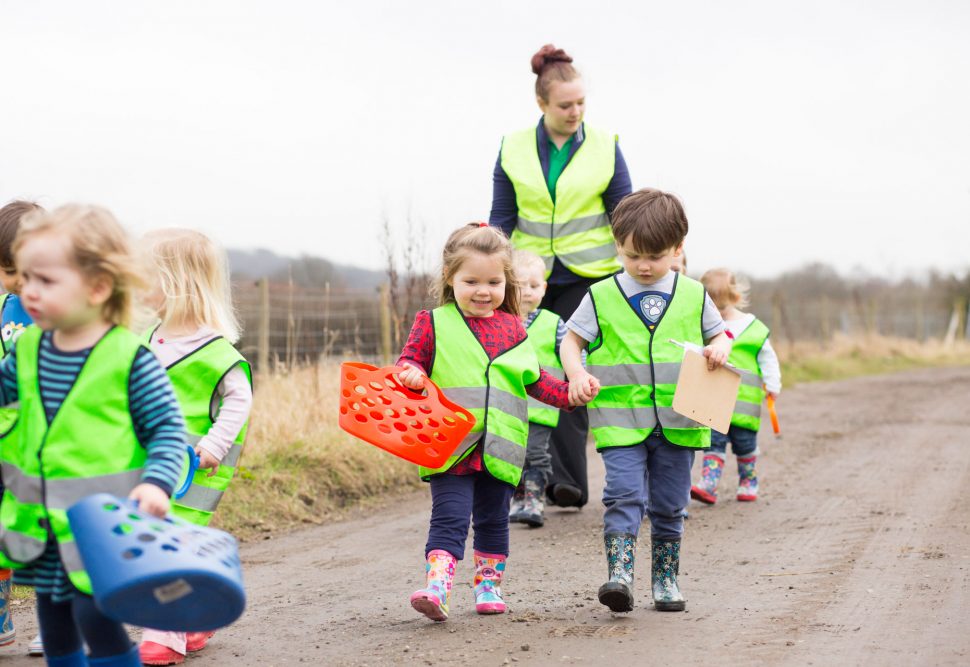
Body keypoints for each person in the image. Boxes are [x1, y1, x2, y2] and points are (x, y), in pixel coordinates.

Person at [0, 204, 186, 667]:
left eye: (45, 281)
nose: (28, 291)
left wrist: (157, 482)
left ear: (99, 287)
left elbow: (167, 428)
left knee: (96, 619)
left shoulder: (129, 359)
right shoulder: (26, 349)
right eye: (25, 278)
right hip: (44, 526)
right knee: (55, 623)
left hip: (105, 525)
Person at [396, 223, 593, 622]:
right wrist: (411, 374)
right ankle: (438, 587)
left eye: (493, 281)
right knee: (449, 517)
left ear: (507, 283)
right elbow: (409, 360)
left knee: (492, 521)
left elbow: (535, 380)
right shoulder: (432, 322)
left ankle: (489, 585)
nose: (483, 291)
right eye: (471, 281)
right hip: (450, 445)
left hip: (502, 449)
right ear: (450, 279)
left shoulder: (514, 329)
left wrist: (571, 393)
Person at [559, 189, 732, 613]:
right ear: (618, 245)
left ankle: (665, 580)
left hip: (681, 420)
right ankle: (619, 576)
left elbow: (720, 334)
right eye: (633, 255)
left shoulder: (693, 294)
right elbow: (571, 340)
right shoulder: (600, 296)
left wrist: (720, 349)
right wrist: (577, 373)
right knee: (623, 494)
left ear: (678, 249)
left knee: (671, 505)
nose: (644, 265)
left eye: (655, 256)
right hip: (620, 422)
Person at [489, 44, 632, 509]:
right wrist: (488, 265)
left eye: (581, 103)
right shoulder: (512, 147)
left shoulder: (605, 144)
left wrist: (651, 257)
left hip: (586, 278)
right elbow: (502, 217)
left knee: (570, 365)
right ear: (542, 104)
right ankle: (518, 480)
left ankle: (565, 482)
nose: (576, 113)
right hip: (528, 280)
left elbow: (624, 212)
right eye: (565, 105)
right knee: (520, 371)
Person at [138, 229, 253, 665]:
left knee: (167, 544)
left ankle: (165, 632)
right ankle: (195, 614)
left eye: (144, 275)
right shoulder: (147, 338)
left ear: (175, 282)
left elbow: (239, 399)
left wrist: (215, 444)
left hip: (192, 467)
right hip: (145, 463)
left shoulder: (215, 350)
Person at [691, 268, 781, 504]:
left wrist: (772, 384)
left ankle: (748, 481)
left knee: (745, 446)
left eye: (722, 307)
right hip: (714, 400)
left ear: (735, 297)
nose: (717, 313)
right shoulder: (703, 328)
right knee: (713, 444)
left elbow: (768, 358)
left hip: (744, 404)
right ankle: (709, 485)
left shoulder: (754, 329)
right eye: (712, 307)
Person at [0, 199, 42, 650]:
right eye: (9, 269)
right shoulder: (2, 310)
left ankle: (58, 625)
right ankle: (2, 618)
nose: (18, 280)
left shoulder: (62, 309)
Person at [508, 250, 568, 528]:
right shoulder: (499, 324)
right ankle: (518, 498)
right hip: (506, 407)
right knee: (510, 453)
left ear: (544, 288)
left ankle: (535, 499)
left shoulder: (554, 324)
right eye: (521, 285)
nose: (528, 292)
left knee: (535, 452)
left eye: (535, 285)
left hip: (541, 407)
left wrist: (577, 377)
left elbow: (571, 352)